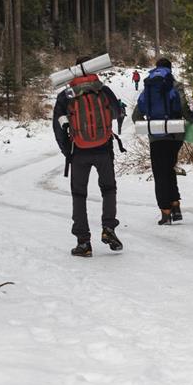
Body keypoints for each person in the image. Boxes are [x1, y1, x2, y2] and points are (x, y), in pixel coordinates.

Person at [52, 59, 125, 257]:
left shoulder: (66, 95)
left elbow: (58, 127)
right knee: (108, 189)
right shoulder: (103, 90)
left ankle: (83, 242)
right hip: (103, 148)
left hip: (79, 151)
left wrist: (67, 150)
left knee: (79, 195)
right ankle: (109, 229)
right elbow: (117, 113)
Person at [133, 58, 191, 225]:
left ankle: (166, 212)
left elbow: (136, 115)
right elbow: (183, 107)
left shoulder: (149, 86)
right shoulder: (176, 84)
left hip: (156, 137)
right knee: (169, 168)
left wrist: (150, 125)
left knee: (160, 173)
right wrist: (191, 121)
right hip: (175, 135)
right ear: (170, 69)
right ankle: (175, 204)